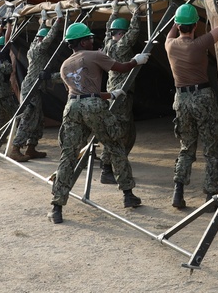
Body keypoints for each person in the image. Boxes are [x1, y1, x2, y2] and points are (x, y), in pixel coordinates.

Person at [48, 22, 149, 224]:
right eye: (90, 38)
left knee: (68, 155)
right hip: (93, 106)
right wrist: (136, 61)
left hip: (72, 108)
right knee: (114, 146)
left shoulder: (65, 65)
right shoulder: (94, 55)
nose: (93, 41)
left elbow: (81, 92)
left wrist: (108, 95)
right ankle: (128, 195)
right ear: (83, 41)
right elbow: (121, 68)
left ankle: (56, 207)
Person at [164, 0, 218, 208]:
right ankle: (210, 195)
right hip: (202, 97)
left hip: (180, 98)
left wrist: (177, 20)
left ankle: (178, 191)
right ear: (194, 26)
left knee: (186, 147)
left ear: (178, 25)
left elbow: (170, 33)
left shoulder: (170, 45)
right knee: (211, 148)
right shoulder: (199, 44)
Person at [8, 6, 64, 162]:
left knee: (38, 119)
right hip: (31, 88)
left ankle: (31, 148)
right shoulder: (38, 49)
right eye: (42, 39)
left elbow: (41, 36)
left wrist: (44, 22)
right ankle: (16, 148)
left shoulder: (33, 46)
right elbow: (49, 38)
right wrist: (58, 21)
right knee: (28, 118)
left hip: (35, 88)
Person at [98, 0, 142, 184]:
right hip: (121, 95)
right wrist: (135, 10)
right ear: (122, 33)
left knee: (128, 132)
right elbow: (134, 31)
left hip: (115, 93)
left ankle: (113, 166)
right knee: (118, 133)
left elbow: (109, 28)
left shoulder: (108, 43)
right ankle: (107, 169)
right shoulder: (121, 45)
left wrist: (114, 11)